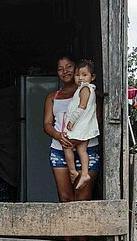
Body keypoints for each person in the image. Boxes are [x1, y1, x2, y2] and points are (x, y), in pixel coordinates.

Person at [43, 56, 101, 205]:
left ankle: (81, 229)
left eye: (69, 67)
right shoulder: (52, 97)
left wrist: (79, 136)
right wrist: (58, 135)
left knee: (83, 200)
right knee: (65, 199)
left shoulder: (88, 92)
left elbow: (97, 119)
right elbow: (47, 124)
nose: (65, 71)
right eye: (60, 68)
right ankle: (67, 229)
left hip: (87, 148)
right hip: (59, 148)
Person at [63, 59, 99, 190]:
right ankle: (84, 174)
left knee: (66, 145)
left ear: (92, 77)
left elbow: (81, 107)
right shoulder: (89, 89)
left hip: (79, 128)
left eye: (84, 75)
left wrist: (71, 121)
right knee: (82, 150)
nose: (80, 78)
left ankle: (73, 171)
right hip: (86, 129)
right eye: (77, 75)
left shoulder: (84, 89)